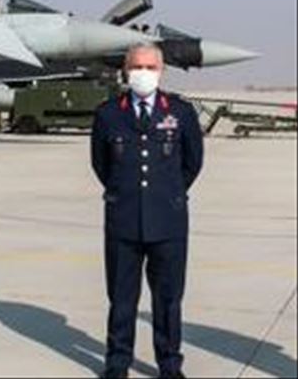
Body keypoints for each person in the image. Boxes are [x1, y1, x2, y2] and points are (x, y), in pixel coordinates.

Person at [90, 43, 204, 379]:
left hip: (168, 221)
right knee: (121, 298)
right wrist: (124, 193)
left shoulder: (180, 112)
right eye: (137, 67)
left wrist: (167, 194)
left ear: (161, 71)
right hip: (123, 221)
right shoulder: (109, 114)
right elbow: (101, 164)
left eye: (150, 67)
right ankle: (117, 363)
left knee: (168, 300)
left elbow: (192, 163)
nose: (143, 73)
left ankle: (169, 364)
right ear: (126, 71)